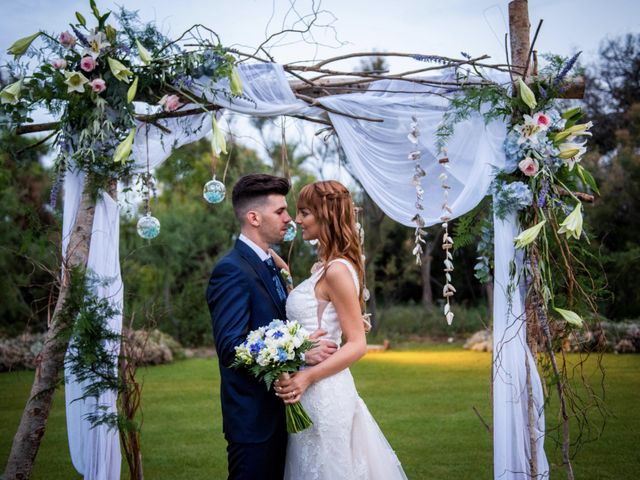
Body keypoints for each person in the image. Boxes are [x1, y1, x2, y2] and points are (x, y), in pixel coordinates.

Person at [206, 173, 337, 480]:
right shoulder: (230, 270)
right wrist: (300, 353)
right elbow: (231, 346)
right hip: (253, 421)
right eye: (280, 211)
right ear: (254, 217)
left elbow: (276, 323)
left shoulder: (272, 265)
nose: (289, 218)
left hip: (281, 412)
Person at [274, 180, 408, 480]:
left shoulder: (336, 271)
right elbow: (315, 313)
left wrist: (306, 377)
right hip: (310, 393)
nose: (297, 220)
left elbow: (357, 343)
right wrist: (281, 270)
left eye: (304, 212)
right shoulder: (325, 267)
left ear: (327, 215)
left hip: (323, 392)